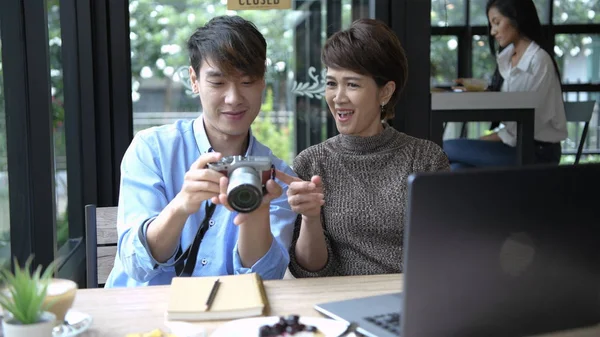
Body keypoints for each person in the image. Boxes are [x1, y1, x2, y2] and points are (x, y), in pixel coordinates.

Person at [104, 15, 297, 287]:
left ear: (262, 81)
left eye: (247, 81)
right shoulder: (152, 149)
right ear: (194, 80)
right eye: (218, 83)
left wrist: (256, 213)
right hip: (145, 318)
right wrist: (182, 205)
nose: (233, 98)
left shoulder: (277, 177)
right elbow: (136, 265)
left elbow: (265, 281)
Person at [276, 19, 450, 278]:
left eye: (353, 84)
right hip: (339, 304)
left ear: (385, 92)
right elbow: (309, 272)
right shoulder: (311, 164)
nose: (338, 97)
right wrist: (311, 217)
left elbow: (446, 252)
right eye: (332, 83)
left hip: (408, 300)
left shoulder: (425, 159)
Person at [444, 0, 567, 170]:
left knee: (444, 148)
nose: (493, 31)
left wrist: (483, 140)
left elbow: (522, 126)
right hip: (515, 146)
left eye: (497, 22)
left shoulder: (538, 61)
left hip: (537, 152)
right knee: (457, 168)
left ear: (516, 18)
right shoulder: (507, 59)